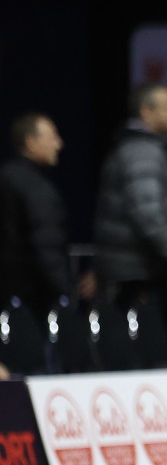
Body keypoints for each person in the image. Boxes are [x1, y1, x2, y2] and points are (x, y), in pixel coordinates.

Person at [92, 83, 167, 367]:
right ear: (146, 112)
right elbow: (146, 212)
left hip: (143, 273)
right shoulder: (142, 152)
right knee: (158, 358)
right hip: (141, 276)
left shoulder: (145, 149)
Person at [0, 115, 78, 331]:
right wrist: (65, 294)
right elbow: (46, 245)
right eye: (52, 137)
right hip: (33, 304)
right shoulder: (33, 186)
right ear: (31, 142)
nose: (59, 144)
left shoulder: (8, 177)